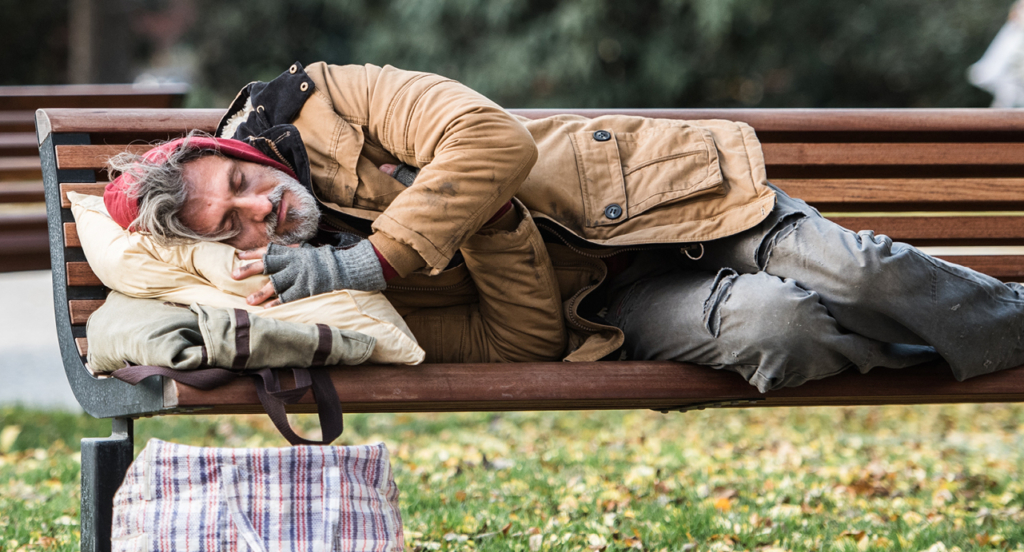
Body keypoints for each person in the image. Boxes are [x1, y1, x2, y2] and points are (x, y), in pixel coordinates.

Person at [105, 62, 1024, 391]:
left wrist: (377, 258)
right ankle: (967, 341)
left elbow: (487, 136)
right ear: (230, 250)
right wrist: (488, 227)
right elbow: (524, 337)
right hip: (614, 308)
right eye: (230, 225)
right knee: (776, 327)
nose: (255, 209)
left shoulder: (325, 97)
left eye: (236, 182)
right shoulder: (324, 300)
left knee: (855, 276)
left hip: (665, 200)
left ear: (240, 153)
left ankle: (1001, 330)